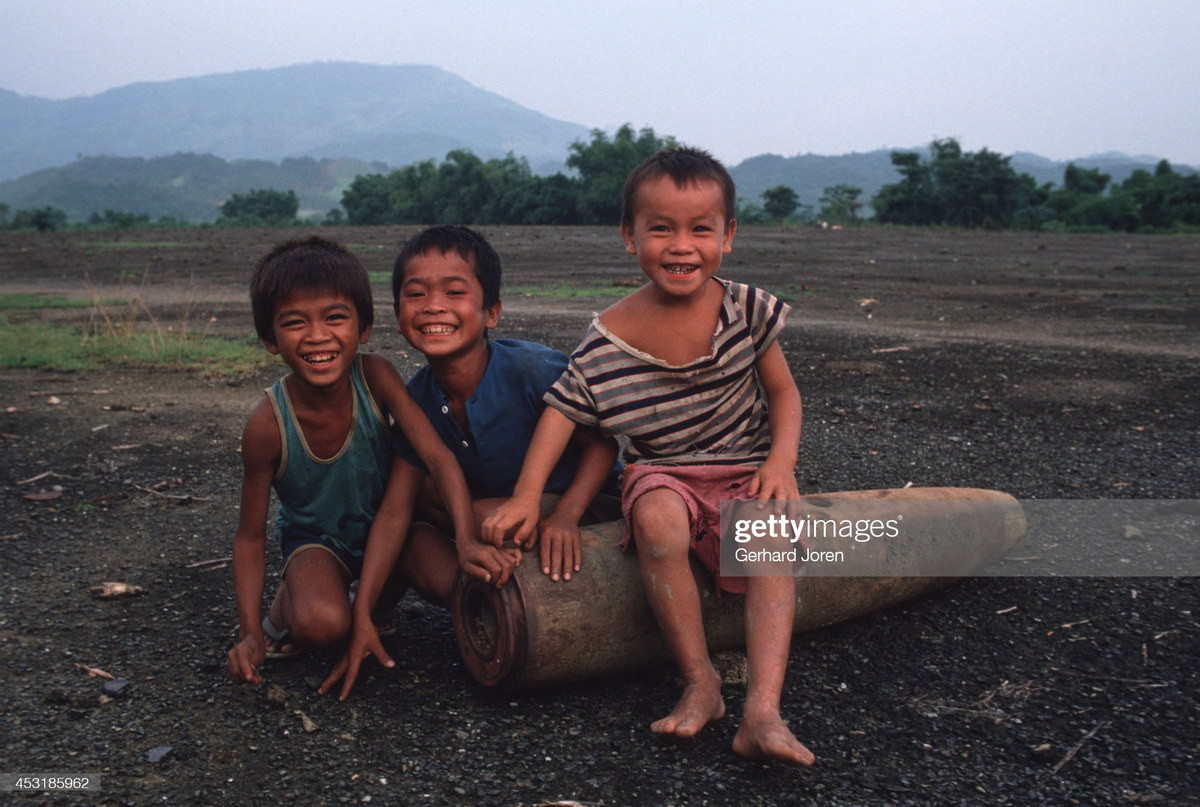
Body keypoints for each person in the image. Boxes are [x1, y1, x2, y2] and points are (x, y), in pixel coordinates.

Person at [483, 148, 814, 766]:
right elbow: (563, 411)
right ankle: (701, 682)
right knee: (659, 520)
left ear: (729, 236)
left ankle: (763, 709)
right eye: (660, 228)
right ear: (629, 237)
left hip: (746, 466)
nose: (680, 245)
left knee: (768, 533)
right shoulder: (608, 336)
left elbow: (784, 392)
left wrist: (781, 462)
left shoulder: (747, 310)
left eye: (700, 229)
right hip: (664, 473)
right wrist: (528, 497)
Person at [319, 225, 619, 700]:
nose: (433, 305)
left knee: (481, 521)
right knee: (412, 535)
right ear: (398, 313)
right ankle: (493, 612)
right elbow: (396, 511)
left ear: (491, 312)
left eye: (455, 292)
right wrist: (362, 613)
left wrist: (566, 514)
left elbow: (604, 446)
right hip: (506, 519)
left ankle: (522, 596)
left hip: (589, 507)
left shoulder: (532, 369)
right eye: (415, 294)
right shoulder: (417, 398)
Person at [226, 236, 477, 685]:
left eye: (335, 318)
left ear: (362, 328)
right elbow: (249, 538)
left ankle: (375, 607)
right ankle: (292, 600)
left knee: (460, 587)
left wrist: (467, 540)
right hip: (320, 542)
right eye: (294, 322)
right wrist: (248, 633)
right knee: (322, 625)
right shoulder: (267, 426)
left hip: (393, 531)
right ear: (269, 338)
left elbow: (437, 457)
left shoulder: (375, 376)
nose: (318, 336)